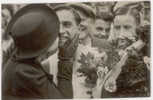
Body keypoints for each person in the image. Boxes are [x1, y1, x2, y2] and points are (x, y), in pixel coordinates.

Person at [2, 4, 73, 100]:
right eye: (54, 33)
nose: (60, 32)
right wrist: (65, 60)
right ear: (44, 44)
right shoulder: (25, 72)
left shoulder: (19, 57)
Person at [101, 2, 150, 98]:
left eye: (127, 27)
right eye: (117, 28)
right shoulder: (110, 53)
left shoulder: (147, 53)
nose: (120, 34)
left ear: (138, 27)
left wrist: (140, 42)